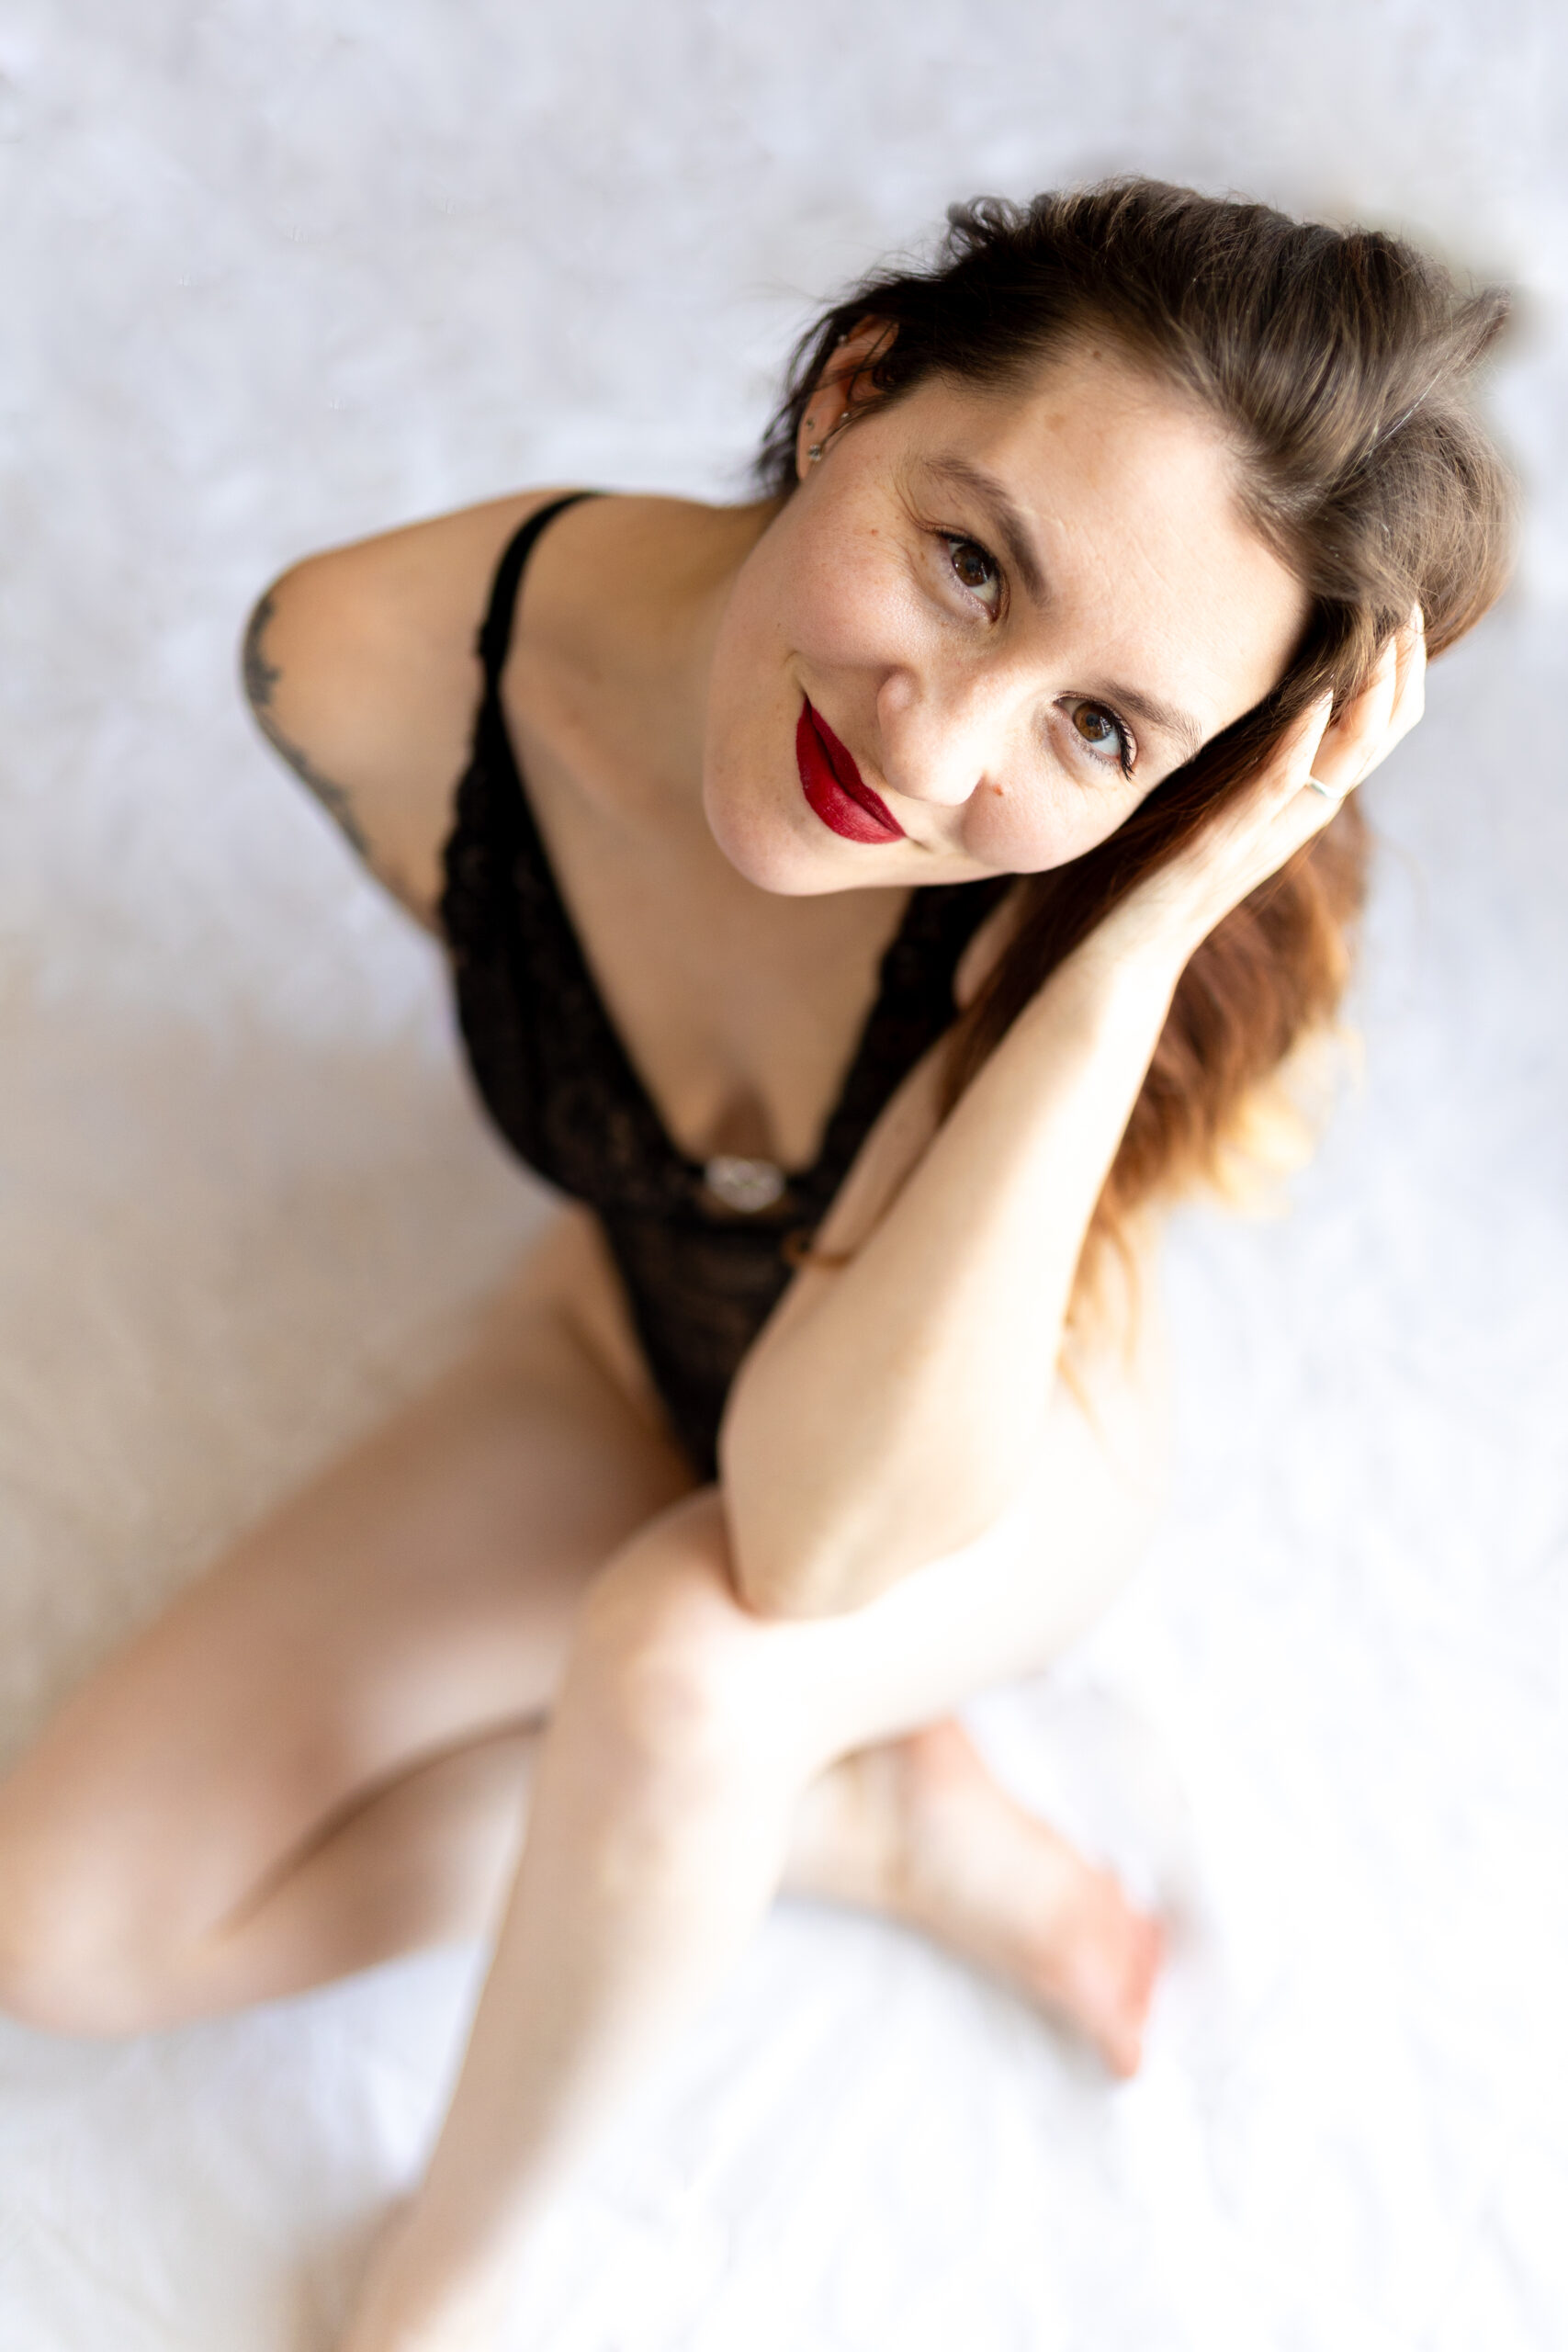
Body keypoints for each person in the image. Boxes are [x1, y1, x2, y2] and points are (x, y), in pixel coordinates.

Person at [0, 181, 1510, 2351]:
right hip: (641, 1323)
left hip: (971, 1467)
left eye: (1103, 730)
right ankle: (854, 1828)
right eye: (968, 561)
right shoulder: (375, 661)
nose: (932, 747)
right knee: (62, 1919)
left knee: (688, 1658)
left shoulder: (1060, 914)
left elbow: (807, 1545)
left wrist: (1128, 945)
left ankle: (451, 2278)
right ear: (850, 388)